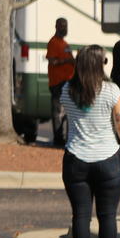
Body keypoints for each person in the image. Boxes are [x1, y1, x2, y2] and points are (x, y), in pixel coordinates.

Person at [60, 45, 120, 238]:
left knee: (80, 214)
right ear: (100, 63)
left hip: (76, 158)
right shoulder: (111, 90)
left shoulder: (66, 90)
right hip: (108, 159)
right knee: (107, 215)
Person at [46, 17, 75, 147]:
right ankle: (58, 139)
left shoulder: (65, 43)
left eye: (66, 25)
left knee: (68, 111)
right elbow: (52, 61)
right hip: (58, 82)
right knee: (58, 112)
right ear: (56, 26)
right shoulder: (53, 42)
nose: (65, 28)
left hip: (68, 81)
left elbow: (72, 59)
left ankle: (67, 138)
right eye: (62, 25)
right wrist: (66, 61)